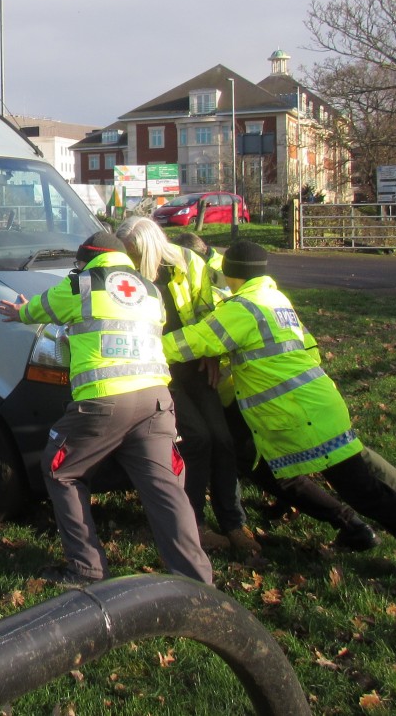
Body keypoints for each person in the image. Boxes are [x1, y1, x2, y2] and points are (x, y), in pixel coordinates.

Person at [163, 240, 396, 586]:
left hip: (301, 417)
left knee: (367, 494)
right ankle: (359, 533)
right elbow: (298, 348)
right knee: (299, 476)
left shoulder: (242, 309)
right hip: (317, 404)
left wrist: (133, 339)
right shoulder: (275, 300)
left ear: (231, 273)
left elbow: (186, 343)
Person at [0, 231, 213, 587]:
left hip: (103, 401)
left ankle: (86, 569)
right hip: (156, 401)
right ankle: (196, 581)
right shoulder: (150, 290)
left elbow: (38, 309)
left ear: (87, 260)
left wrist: (21, 311)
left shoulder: (83, 284)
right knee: (166, 489)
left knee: (61, 469)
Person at [116, 217, 259, 556]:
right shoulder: (126, 274)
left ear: (150, 248)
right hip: (156, 368)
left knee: (222, 439)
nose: (131, 260)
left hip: (193, 363)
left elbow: (212, 310)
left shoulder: (188, 264)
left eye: (134, 253)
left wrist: (212, 352)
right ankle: (193, 523)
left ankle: (233, 522)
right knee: (196, 439)